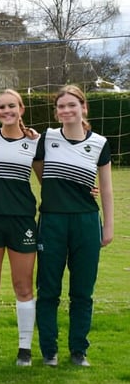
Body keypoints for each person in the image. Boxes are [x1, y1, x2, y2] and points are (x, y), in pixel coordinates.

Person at [33, 85, 113, 367]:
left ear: (84, 108)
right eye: (61, 107)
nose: (66, 110)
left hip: (87, 222)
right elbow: (41, 172)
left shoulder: (100, 143)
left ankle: (79, 350)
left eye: (71, 105)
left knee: (82, 291)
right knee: (48, 290)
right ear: (56, 112)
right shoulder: (47, 138)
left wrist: (109, 227)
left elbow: (105, 188)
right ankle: (49, 352)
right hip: (52, 220)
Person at [0, 90, 39, 366]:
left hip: (22, 220)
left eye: (11, 106)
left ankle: (24, 349)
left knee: (23, 285)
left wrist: (86, 190)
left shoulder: (35, 142)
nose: (6, 111)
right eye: (2, 107)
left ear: (21, 109)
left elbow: (49, 179)